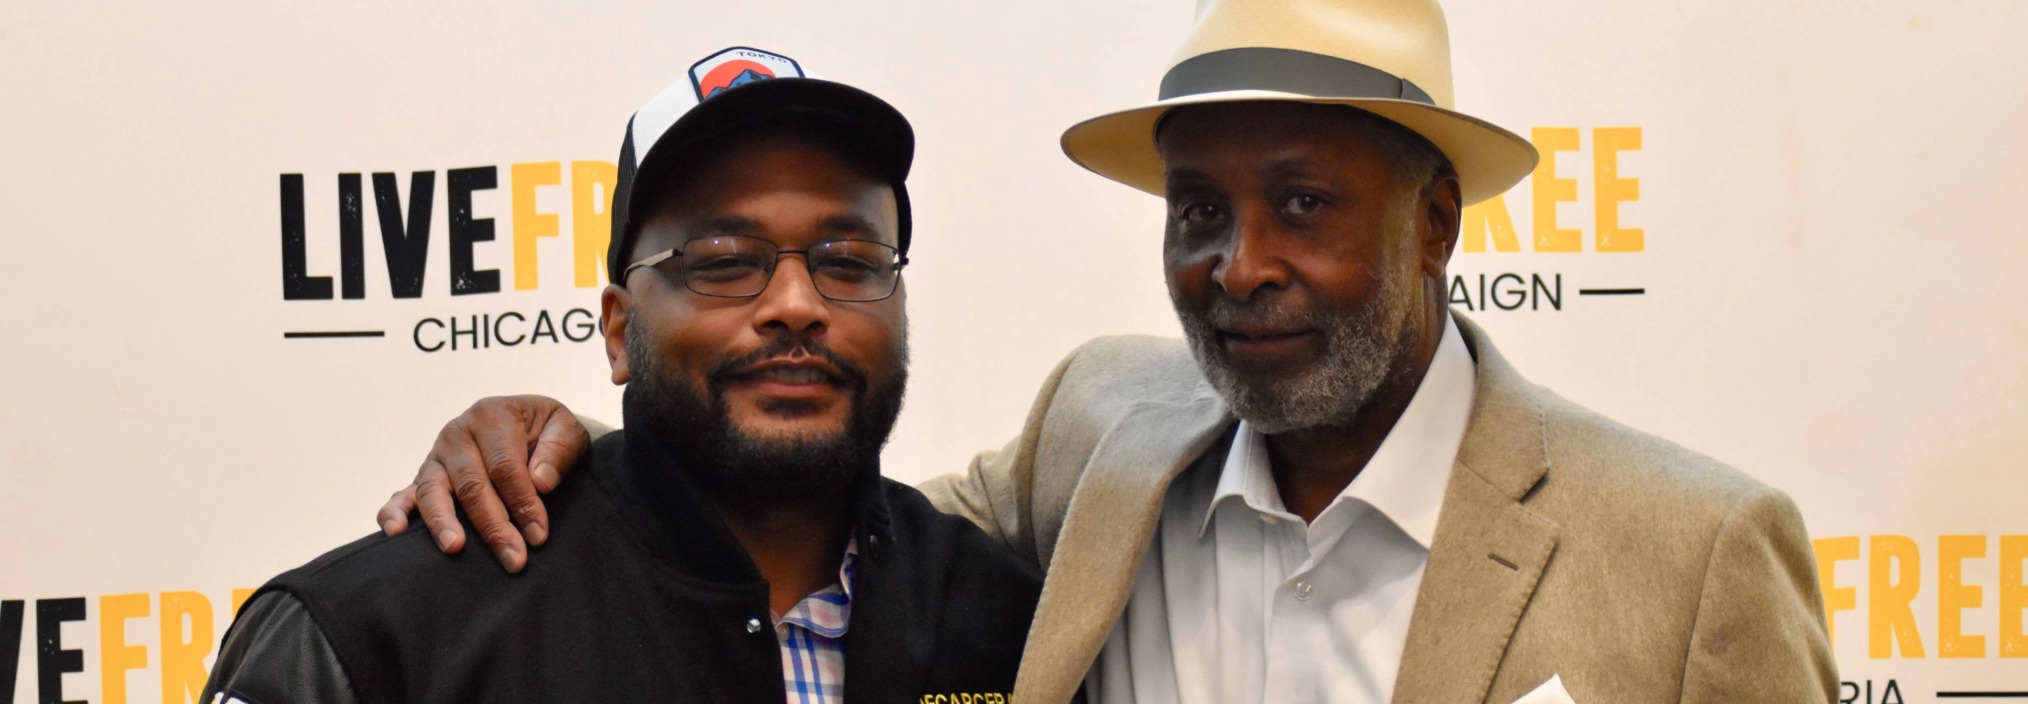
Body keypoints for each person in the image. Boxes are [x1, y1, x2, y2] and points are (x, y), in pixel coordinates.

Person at [381, 2, 1838, 701]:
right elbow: (805, 515)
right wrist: (559, 447)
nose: (1239, 264)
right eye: (1199, 209)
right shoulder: (1105, 434)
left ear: (1435, 221)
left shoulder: (1693, 553)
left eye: (1305, 204)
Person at [207, 47, 1040, 704]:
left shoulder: (1014, 626)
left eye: (848, 259)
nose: (796, 304)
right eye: (723, 259)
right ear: (618, 331)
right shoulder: (381, 632)